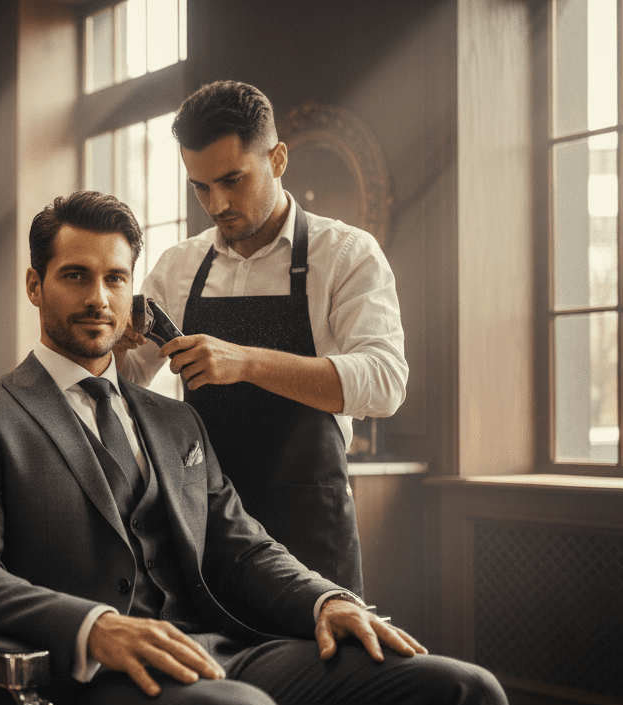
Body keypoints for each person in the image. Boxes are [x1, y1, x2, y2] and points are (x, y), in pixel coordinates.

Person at [0, 190, 520, 705]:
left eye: (116, 279)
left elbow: (241, 546)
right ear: (35, 285)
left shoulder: (175, 419)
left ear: (133, 292)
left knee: (464, 692)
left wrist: (325, 599)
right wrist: (94, 628)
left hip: (222, 654)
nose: (99, 297)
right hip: (88, 686)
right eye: (76, 276)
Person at [116, 81, 409, 596]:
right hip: (205, 525)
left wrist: (247, 362)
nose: (218, 203)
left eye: (233, 179)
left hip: (309, 531)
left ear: (277, 159)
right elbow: (129, 379)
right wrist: (107, 346)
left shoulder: (345, 254)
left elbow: (385, 383)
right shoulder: (179, 266)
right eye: (201, 186)